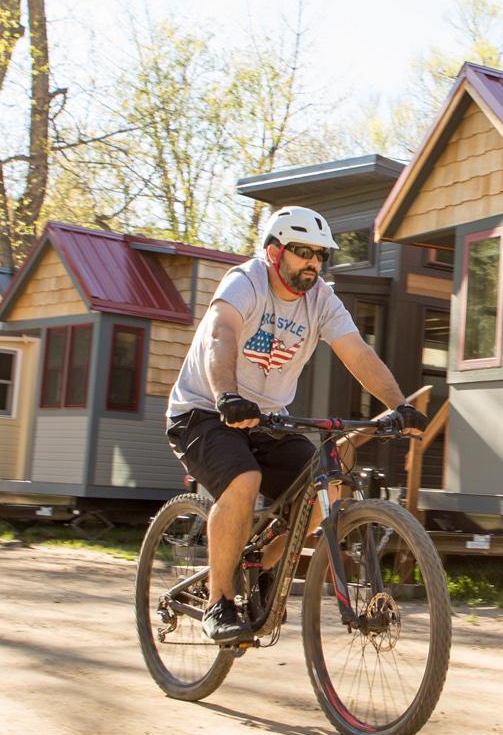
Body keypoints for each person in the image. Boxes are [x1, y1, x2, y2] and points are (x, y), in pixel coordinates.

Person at [165, 205, 426, 643]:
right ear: (274, 253)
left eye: (322, 254)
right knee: (243, 481)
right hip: (204, 410)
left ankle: (265, 565)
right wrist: (227, 394)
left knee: (330, 488)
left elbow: (356, 352)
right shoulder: (245, 282)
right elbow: (220, 334)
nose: (314, 262)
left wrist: (398, 404)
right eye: (303, 251)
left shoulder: (322, 298)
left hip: (267, 419)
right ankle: (219, 602)